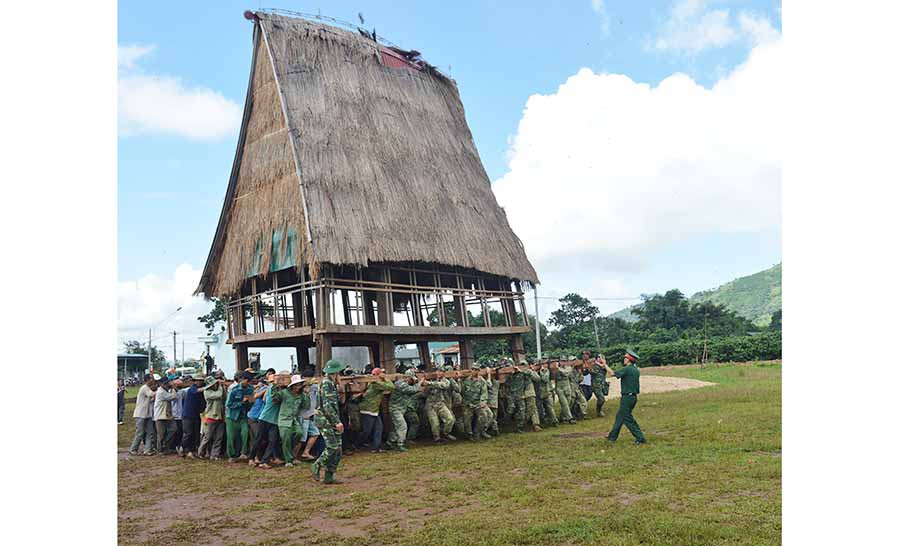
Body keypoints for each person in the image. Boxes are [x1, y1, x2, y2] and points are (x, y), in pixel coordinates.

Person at [601, 350, 646, 445]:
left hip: (627, 397)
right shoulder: (635, 370)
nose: (624, 359)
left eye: (625, 358)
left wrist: (605, 364)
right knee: (620, 417)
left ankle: (640, 438)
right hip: (632, 397)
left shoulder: (627, 369)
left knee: (627, 418)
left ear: (629, 359)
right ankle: (612, 437)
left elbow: (612, 374)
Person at [312, 359, 346, 484]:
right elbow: (327, 405)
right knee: (332, 447)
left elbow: (337, 402)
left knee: (338, 450)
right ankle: (317, 464)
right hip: (324, 419)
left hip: (330, 418)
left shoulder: (331, 384)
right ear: (336, 373)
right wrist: (337, 422)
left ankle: (329, 475)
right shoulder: (327, 384)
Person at [253, 369, 287, 468]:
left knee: (272, 440)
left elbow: (264, 399)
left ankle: (264, 461)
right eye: (271, 381)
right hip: (265, 417)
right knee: (259, 439)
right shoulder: (272, 389)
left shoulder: (278, 390)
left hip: (274, 420)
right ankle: (252, 457)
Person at [356, 368, 395, 453]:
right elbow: (391, 386)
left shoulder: (372, 382)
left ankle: (375, 447)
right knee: (366, 431)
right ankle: (357, 444)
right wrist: (385, 379)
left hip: (373, 410)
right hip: (368, 410)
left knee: (378, 429)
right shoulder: (376, 383)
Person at [271, 375, 306, 467]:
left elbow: (306, 405)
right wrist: (275, 386)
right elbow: (274, 398)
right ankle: (288, 460)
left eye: (299, 385)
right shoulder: (284, 393)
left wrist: (306, 393)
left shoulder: (301, 395)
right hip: (284, 420)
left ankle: (287, 454)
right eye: (296, 385)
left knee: (299, 433)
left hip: (294, 420)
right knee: (286, 439)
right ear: (292, 386)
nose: (298, 387)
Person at [386, 368, 421, 452]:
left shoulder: (405, 383)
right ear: (407, 377)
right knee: (402, 426)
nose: (412, 381)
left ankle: (390, 442)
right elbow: (413, 390)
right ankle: (400, 444)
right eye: (411, 379)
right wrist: (420, 383)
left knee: (396, 427)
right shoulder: (401, 384)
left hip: (401, 408)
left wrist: (416, 382)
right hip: (395, 408)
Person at [225, 371, 254, 463]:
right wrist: (241, 402)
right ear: (242, 380)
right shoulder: (234, 390)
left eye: (249, 382)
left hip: (243, 415)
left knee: (245, 433)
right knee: (231, 437)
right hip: (232, 416)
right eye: (247, 381)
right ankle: (232, 455)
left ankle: (243, 452)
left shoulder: (250, 389)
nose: (248, 383)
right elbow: (228, 404)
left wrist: (250, 402)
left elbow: (250, 402)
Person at [461, 363, 492, 440]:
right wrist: (465, 403)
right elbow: (462, 392)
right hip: (468, 403)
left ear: (478, 371)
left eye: (476, 370)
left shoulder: (482, 381)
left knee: (486, 415)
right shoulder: (466, 380)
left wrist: (483, 401)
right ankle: (469, 434)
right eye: (473, 369)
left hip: (478, 403)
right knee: (466, 419)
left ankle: (478, 431)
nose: (474, 371)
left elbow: (484, 392)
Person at [423, 368, 456, 442]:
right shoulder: (430, 380)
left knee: (450, 419)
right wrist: (426, 385)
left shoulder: (446, 381)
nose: (439, 373)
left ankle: (445, 433)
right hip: (431, 405)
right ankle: (437, 438)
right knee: (435, 424)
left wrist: (430, 383)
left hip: (440, 403)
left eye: (441, 371)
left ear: (444, 373)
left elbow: (444, 386)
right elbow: (424, 393)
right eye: (438, 371)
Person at [198, 376, 226, 460]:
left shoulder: (218, 390)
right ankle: (201, 452)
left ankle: (215, 454)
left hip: (220, 416)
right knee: (208, 437)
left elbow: (224, 397)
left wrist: (223, 386)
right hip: (210, 416)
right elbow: (219, 395)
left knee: (219, 437)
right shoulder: (207, 392)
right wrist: (220, 386)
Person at [129, 374, 157, 455]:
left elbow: (150, 399)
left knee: (150, 432)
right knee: (140, 433)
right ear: (147, 380)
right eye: (151, 379)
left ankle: (147, 450)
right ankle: (133, 449)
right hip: (140, 414)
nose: (153, 380)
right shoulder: (144, 388)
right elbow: (151, 394)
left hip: (147, 414)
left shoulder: (147, 388)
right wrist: (160, 389)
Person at [181, 375, 206, 458]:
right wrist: (208, 387)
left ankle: (191, 450)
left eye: (201, 381)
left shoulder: (201, 391)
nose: (199, 382)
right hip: (188, 414)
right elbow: (197, 391)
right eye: (198, 380)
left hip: (196, 414)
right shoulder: (192, 389)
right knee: (188, 433)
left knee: (195, 434)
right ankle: (183, 447)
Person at [295, 377, 320, 462]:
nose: (308, 388)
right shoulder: (301, 395)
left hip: (309, 417)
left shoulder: (313, 391)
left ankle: (305, 452)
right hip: (303, 417)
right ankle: (293, 457)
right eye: (306, 387)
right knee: (302, 438)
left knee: (315, 433)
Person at [153, 377, 178, 455]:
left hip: (167, 415)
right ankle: (160, 450)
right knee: (161, 434)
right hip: (160, 415)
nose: (167, 384)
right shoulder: (161, 392)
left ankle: (165, 446)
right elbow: (172, 397)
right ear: (161, 384)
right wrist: (173, 388)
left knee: (173, 429)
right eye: (166, 383)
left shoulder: (165, 390)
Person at [536, 362, 559, 427]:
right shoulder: (535, 372)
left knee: (550, 408)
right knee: (540, 409)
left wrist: (541, 371)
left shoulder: (546, 371)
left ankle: (554, 421)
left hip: (547, 393)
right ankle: (544, 421)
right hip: (539, 393)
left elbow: (545, 379)